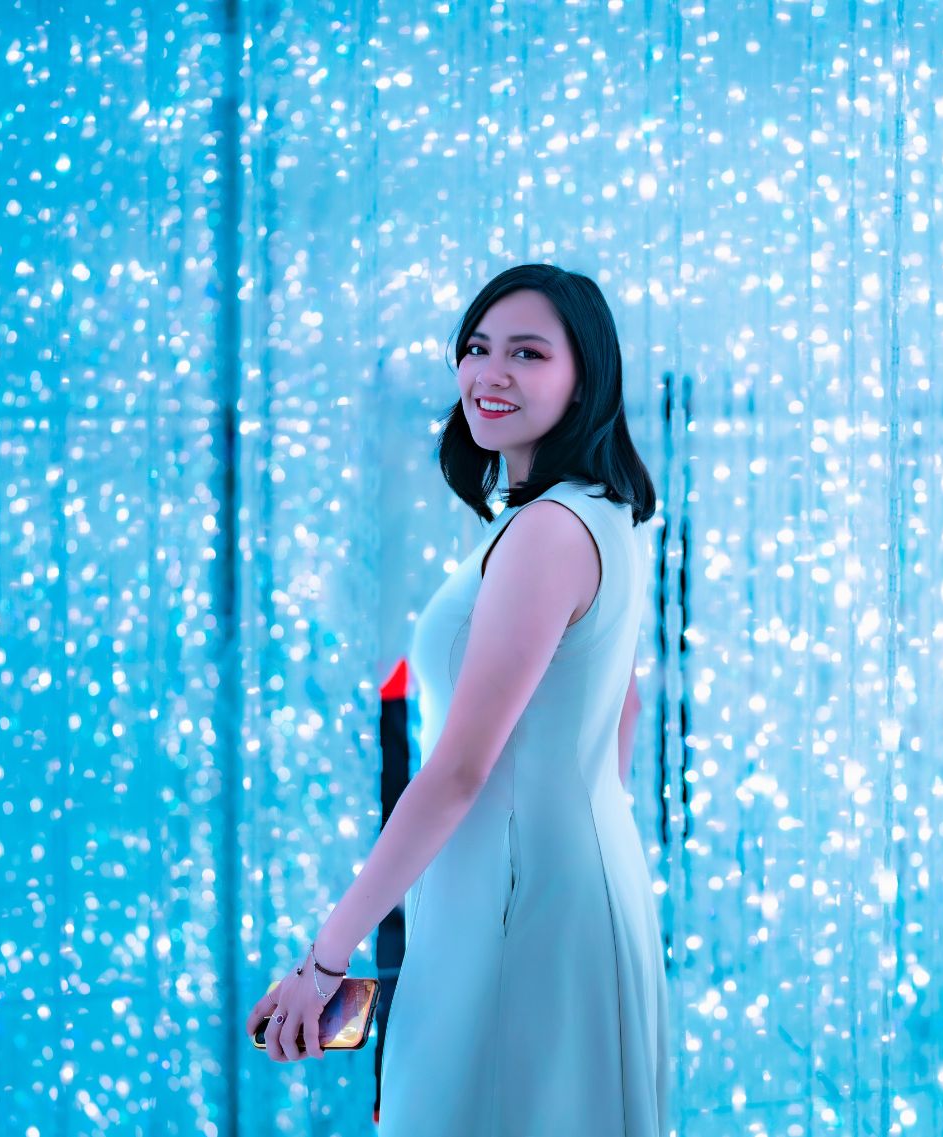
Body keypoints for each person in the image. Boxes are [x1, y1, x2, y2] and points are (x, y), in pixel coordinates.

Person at [245, 263, 671, 1135]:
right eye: (476, 348)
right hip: (554, 889)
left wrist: (327, 959)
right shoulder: (596, 514)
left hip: (516, 907)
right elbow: (617, 714)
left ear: (584, 376)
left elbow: (459, 770)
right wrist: (569, 829)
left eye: (526, 352)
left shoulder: (546, 532)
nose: (490, 373)